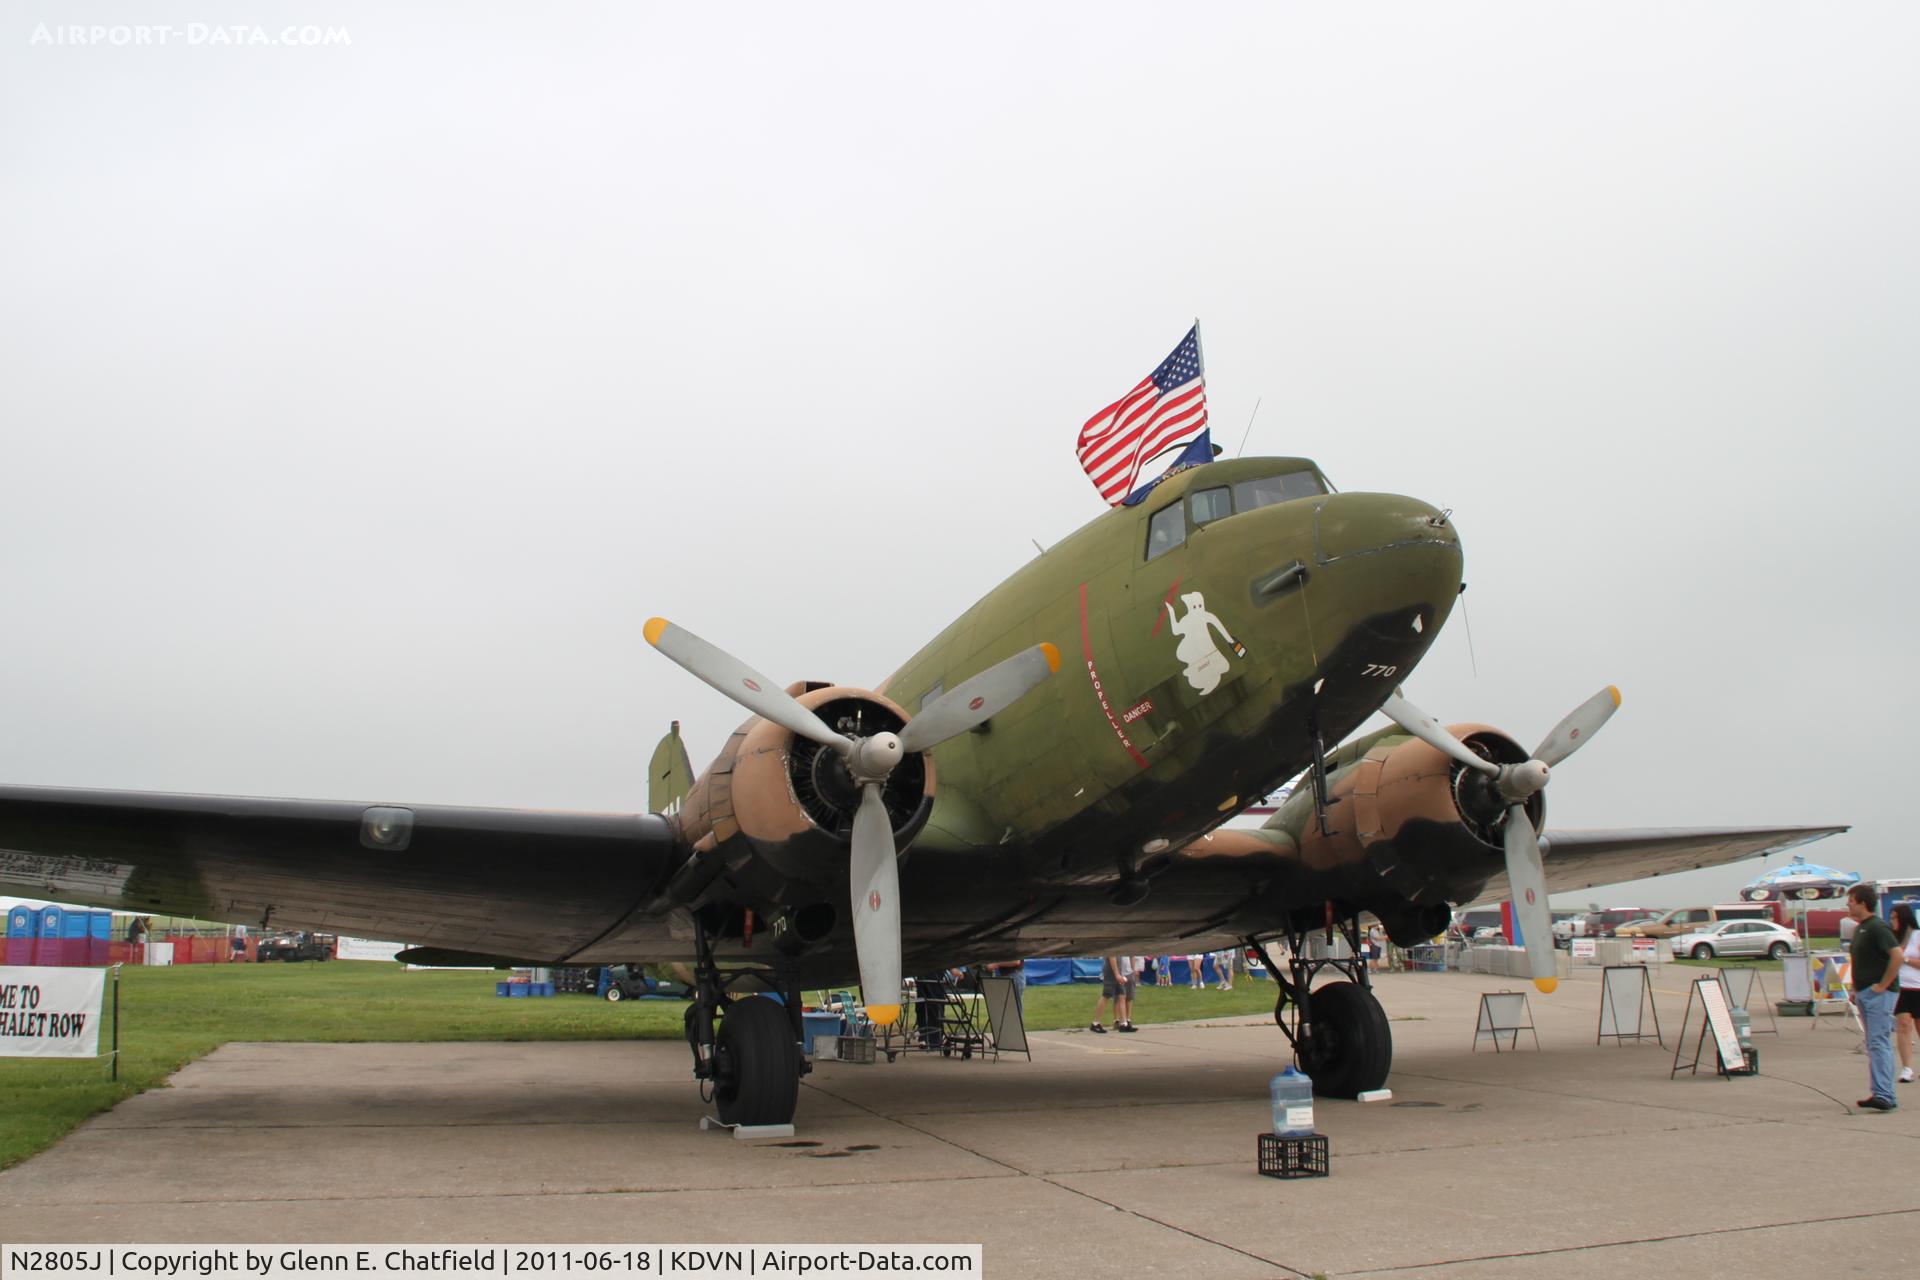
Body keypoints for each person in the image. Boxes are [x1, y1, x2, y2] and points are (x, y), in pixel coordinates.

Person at [1845, 885, 1901, 1110]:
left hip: (1879, 994)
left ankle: (1885, 1095)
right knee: (1874, 1043)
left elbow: (1897, 956)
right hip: (1864, 992)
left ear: (1862, 903)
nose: (1848, 904)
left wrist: (1883, 985)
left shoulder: (1878, 927)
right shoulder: (1861, 928)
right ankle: (1879, 1090)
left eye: (1851, 900)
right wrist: (1856, 989)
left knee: (1879, 1042)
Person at [1892, 902, 1919, 1085]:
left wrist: (1905, 958)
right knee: (1903, 1025)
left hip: (1917, 987)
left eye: (1894, 917)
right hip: (1899, 988)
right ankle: (1907, 1068)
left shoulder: (1916, 936)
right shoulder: (1891, 938)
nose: (1892, 921)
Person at [1090, 954, 1137, 1033]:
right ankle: (1095, 1023)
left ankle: (1123, 1024)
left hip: (1118, 971)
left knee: (1122, 995)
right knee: (1106, 995)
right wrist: (1116, 974)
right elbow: (1112, 956)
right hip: (1111, 971)